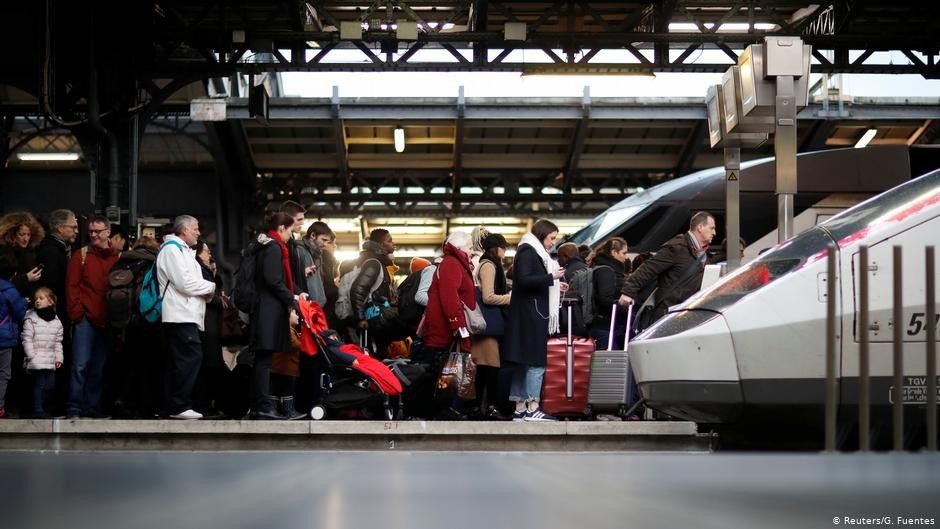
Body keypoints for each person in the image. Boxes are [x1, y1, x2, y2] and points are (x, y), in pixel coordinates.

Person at [501, 219, 568, 422]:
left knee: (523, 361)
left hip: (527, 314)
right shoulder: (529, 251)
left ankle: (520, 407)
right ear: (542, 234)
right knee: (536, 361)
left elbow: (526, 280)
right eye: (551, 238)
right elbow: (523, 280)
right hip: (531, 315)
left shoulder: (529, 250)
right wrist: (551, 277)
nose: (553, 243)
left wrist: (555, 284)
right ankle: (533, 406)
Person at [157, 215, 217, 420]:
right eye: (195, 229)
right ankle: (180, 405)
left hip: (185, 314)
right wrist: (211, 287)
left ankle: (172, 405)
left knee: (180, 359)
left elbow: (191, 282)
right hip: (180, 314)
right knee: (190, 357)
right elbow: (186, 283)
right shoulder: (172, 250)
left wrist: (203, 289)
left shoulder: (182, 250)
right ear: (183, 230)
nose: (198, 233)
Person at [417, 231, 477, 419]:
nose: (472, 251)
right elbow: (449, 297)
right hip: (444, 330)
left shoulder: (454, 263)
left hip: (444, 329)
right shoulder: (452, 264)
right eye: (470, 247)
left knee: (446, 369)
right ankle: (436, 410)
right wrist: (457, 326)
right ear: (460, 247)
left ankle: (442, 408)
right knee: (440, 369)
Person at [618, 212, 717, 326]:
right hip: (669, 315)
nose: (714, 233)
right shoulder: (677, 248)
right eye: (712, 228)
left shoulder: (704, 254)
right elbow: (649, 268)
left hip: (688, 314)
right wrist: (628, 292)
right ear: (700, 227)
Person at [65, 216, 119, 419]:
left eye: (98, 231)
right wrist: (77, 313)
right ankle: (74, 407)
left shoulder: (118, 257)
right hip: (86, 318)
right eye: (91, 231)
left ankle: (92, 407)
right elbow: (71, 287)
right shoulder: (81, 255)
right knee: (80, 365)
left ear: (108, 232)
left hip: (107, 319)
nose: (94, 235)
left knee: (98, 367)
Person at [249, 212, 301, 420]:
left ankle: (260, 406)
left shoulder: (264, 245)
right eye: (290, 231)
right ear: (281, 228)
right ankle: (263, 407)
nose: (291, 236)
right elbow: (273, 280)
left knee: (263, 359)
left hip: (264, 309)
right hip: (268, 311)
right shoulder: (273, 248)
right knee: (265, 360)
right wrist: (291, 299)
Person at [470, 233, 511, 420]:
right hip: (488, 324)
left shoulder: (486, 264)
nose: (505, 252)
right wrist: (510, 298)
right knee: (490, 368)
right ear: (497, 249)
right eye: (504, 248)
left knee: (485, 369)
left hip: (488, 324)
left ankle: (480, 409)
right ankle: (487, 408)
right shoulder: (488, 266)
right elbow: (488, 297)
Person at [193, 239, 226, 419]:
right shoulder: (198, 269)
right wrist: (219, 300)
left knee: (209, 365)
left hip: (209, 323)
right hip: (206, 324)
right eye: (206, 251)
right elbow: (207, 296)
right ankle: (203, 405)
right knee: (207, 365)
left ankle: (206, 404)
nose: (210, 255)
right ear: (198, 253)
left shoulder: (205, 270)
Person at [21, 287, 63, 418]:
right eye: (36, 299)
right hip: (36, 359)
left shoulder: (56, 321)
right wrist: (31, 356)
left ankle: (44, 408)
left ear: (50, 302)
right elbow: (26, 338)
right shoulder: (30, 318)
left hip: (50, 360)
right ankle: (37, 410)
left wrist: (59, 358)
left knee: (50, 385)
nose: (37, 301)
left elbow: (58, 342)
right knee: (39, 385)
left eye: (41, 298)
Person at [588, 237, 630, 349]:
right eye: (624, 253)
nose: (626, 257)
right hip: (605, 326)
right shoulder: (606, 271)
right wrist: (621, 304)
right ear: (614, 252)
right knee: (610, 357)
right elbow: (604, 300)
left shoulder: (604, 268)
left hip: (608, 324)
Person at [0, 253, 28, 418]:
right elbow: (19, 313)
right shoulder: (11, 291)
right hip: (4, 339)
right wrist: (24, 302)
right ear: (14, 273)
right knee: (3, 373)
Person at [0, 212, 45, 299]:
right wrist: (26, 278)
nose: (26, 239)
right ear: (11, 234)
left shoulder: (30, 251)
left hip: (27, 300)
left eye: (28, 234)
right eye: (21, 234)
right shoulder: (4, 254)